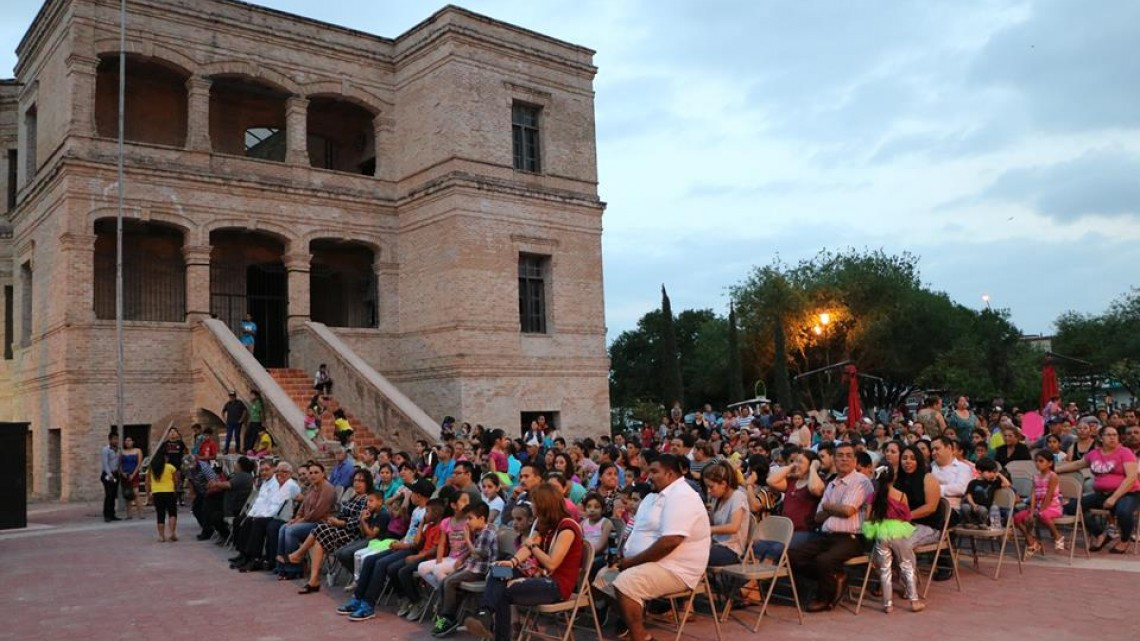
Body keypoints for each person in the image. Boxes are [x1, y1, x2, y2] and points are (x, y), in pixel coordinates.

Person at [464, 484, 583, 641]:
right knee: (497, 571)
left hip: (556, 585)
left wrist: (532, 546)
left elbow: (552, 564)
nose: (532, 506)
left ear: (544, 504)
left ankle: (498, 635)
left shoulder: (567, 528)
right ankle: (484, 615)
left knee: (503, 591)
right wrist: (512, 562)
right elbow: (527, 549)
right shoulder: (545, 525)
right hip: (540, 578)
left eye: (534, 502)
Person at [789, 443, 874, 612]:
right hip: (827, 535)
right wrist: (834, 508)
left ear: (855, 460)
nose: (844, 459)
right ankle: (834, 579)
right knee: (793, 556)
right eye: (840, 455)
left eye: (849, 455)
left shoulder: (861, 481)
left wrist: (828, 506)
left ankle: (824, 598)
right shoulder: (832, 483)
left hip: (851, 537)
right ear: (834, 459)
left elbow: (848, 510)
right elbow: (818, 517)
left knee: (824, 560)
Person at [1058, 424, 1140, 554]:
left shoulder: (1125, 452)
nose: (1112, 438)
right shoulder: (1094, 454)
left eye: (1115, 435)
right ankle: (1100, 533)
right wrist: (1055, 469)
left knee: (1123, 512)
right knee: (1071, 507)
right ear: (1101, 438)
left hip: (1128, 493)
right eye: (1109, 435)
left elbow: (1131, 478)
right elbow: (1078, 464)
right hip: (1102, 494)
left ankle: (1124, 540)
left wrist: (1114, 497)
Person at [289, 468, 373, 593]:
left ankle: (300, 554)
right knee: (319, 538)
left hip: (353, 533)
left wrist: (340, 522)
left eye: (361, 481)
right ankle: (313, 580)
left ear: (367, 483)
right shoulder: (354, 497)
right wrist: (334, 520)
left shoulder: (367, 499)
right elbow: (342, 514)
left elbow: (360, 521)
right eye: (355, 480)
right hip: (340, 529)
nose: (357, 483)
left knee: (319, 531)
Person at [431, 501, 498, 637]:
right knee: (445, 581)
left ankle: (448, 618)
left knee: (450, 582)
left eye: (470, 518)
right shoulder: (479, 531)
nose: (467, 522)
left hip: (480, 571)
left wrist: (467, 539)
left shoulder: (487, 532)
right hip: (471, 567)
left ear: (482, 519)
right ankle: (443, 617)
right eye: (466, 518)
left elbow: (479, 555)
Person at [862, 466, 923, 613]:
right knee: (906, 565)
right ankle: (914, 601)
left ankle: (888, 604)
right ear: (893, 478)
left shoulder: (873, 496)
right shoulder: (901, 495)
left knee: (884, 569)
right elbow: (907, 516)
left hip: (881, 531)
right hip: (898, 531)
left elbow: (868, 517)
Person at [275, 462, 338, 579]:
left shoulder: (328, 489)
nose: (312, 475)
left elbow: (317, 512)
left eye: (316, 472)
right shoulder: (312, 487)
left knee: (291, 531)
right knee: (284, 527)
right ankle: (282, 567)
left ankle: (294, 569)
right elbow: (303, 506)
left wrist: (301, 520)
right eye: (311, 473)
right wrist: (296, 518)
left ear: (323, 474)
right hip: (309, 521)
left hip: (322, 523)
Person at [1014, 451, 1065, 557]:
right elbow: (1033, 495)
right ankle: (1032, 542)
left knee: (1043, 515)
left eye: (1041, 461)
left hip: (1052, 507)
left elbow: (1049, 495)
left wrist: (1040, 511)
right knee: (1017, 518)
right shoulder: (1035, 476)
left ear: (1050, 463)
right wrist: (1032, 512)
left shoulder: (1053, 476)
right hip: (1037, 507)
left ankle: (1057, 536)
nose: (1038, 463)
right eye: (1036, 461)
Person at [704, 461, 749, 567]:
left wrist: (709, 529)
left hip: (732, 549)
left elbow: (734, 527)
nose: (708, 491)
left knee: (694, 555)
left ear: (723, 484)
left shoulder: (738, 497)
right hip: (717, 543)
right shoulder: (718, 499)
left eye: (711, 487)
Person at [960, 457, 1008, 527]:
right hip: (973, 506)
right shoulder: (973, 482)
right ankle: (969, 522)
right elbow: (969, 495)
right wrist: (973, 505)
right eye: (989, 472)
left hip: (985, 509)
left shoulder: (993, 483)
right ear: (979, 471)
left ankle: (983, 522)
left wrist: (999, 474)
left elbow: (1007, 484)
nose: (992, 474)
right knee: (965, 507)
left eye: (993, 472)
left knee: (982, 509)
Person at [146, 449, 179, 542]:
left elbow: (147, 482)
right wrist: (175, 489)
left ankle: (161, 536)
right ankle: (172, 533)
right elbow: (175, 480)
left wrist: (148, 494)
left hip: (157, 493)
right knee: (172, 513)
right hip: (169, 492)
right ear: (165, 458)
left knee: (160, 514)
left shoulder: (151, 468)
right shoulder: (170, 467)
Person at [119, 436, 143, 520]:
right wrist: (122, 473)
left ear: (133, 442)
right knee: (127, 494)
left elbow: (139, 463)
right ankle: (129, 514)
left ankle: (141, 513)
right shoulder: (122, 452)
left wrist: (134, 474)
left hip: (134, 474)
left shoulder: (138, 451)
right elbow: (120, 464)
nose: (127, 442)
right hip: (125, 475)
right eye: (126, 441)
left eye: (129, 440)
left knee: (136, 493)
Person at [100, 432, 121, 522]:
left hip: (116, 473)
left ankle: (112, 514)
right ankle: (106, 515)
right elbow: (105, 464)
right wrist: (110, 475)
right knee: (108, 494)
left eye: (117, 439)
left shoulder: (118, 449)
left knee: (113, 495)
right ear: (110, 440)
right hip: (108, 474)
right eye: (114, 439)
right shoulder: (106, 450)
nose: (116, 441)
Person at [222, 390, 249, 455]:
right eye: (230, 396)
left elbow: (245, 410)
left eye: (232, 396)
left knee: (237, 436)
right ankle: (226, 449)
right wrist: (224, 419)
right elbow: (223, 411)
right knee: (229, 435)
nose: (231, 398)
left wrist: (241, 419)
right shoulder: (228, 404)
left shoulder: (239, 403)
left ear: (235, 396)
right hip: (230, 422)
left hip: (237, 422)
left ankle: (237, 449)